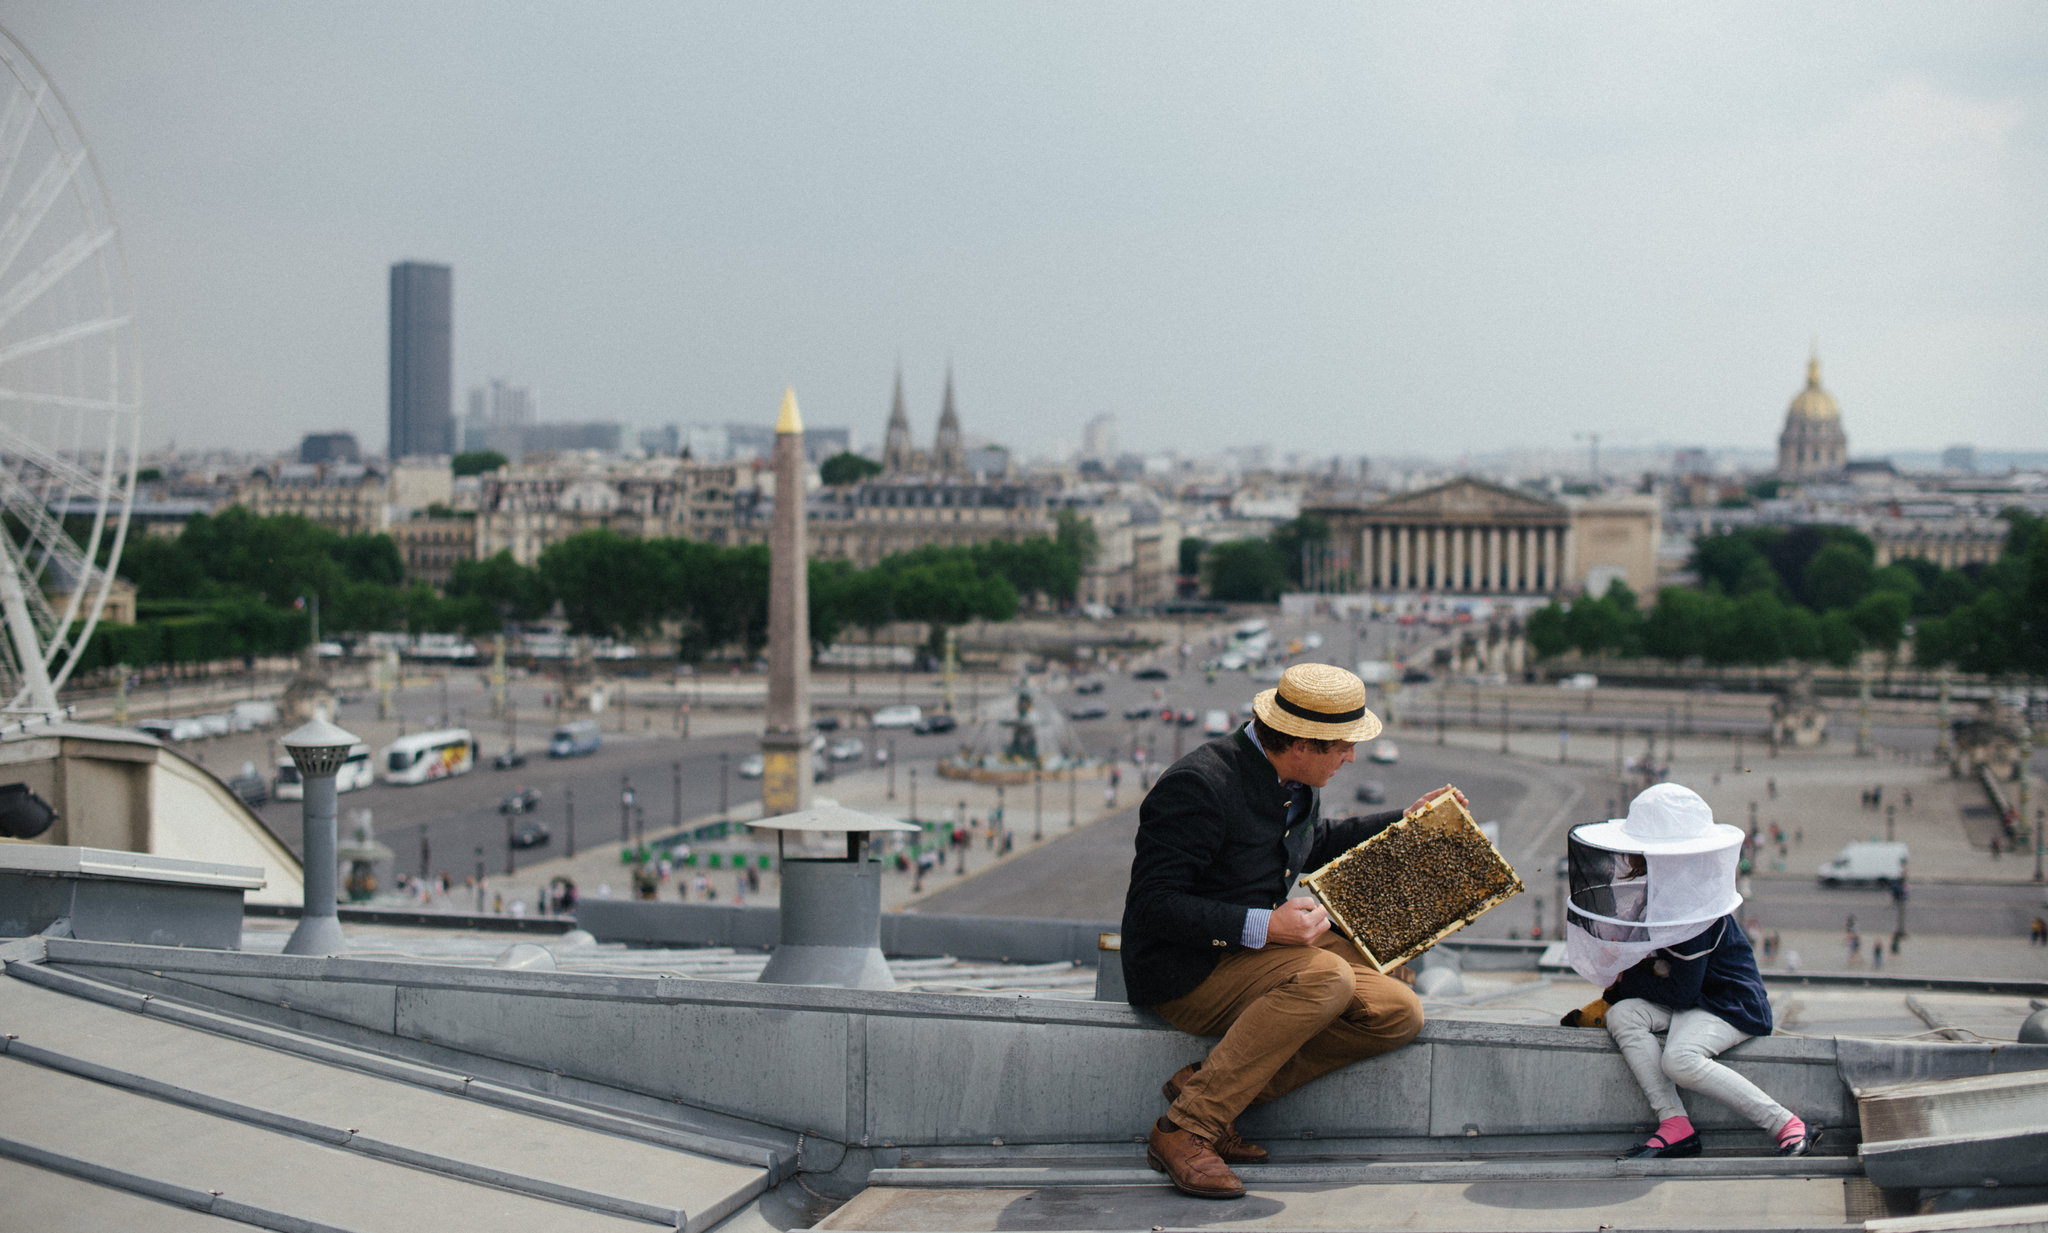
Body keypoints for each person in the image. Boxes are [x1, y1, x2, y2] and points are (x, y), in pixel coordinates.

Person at [1122, 663, 1433, 1200]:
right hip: (1185, 969)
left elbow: (1312, 841)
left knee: (1398, 1012)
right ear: (1301, 744)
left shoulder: (1292, 779)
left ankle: (1207, 1083)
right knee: (1328, 978)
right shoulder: (1199, 784)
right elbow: (1153, 907)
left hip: (1253, 953)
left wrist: (1402, 822)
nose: (1350, 757)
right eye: (1341, 746)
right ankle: (1186, 1129)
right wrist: (1265, 924)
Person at [1560, 784, 1818, 1160]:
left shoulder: (1695, 907)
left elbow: (1680, 990)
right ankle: (1675, 1126)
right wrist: (1615, 997)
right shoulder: (1671, 892)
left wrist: (1625, 983)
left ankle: (1787, 1124)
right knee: (1622, 1015)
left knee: (1679, 1059)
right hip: (1693, 999)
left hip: (1730, 1005)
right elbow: (1669, 982)